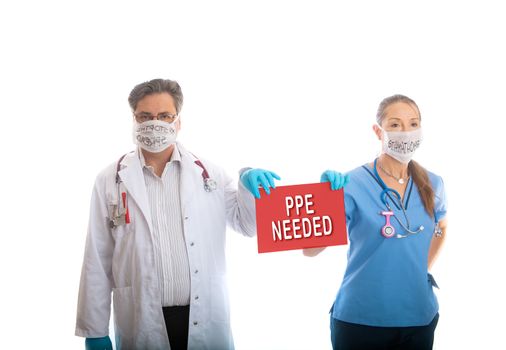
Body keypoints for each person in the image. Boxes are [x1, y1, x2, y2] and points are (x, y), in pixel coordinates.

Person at [75, 78, 279, 350]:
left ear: (178, 122)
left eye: (164, 116)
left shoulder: (211, 175)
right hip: (142, 318)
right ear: (134, 120)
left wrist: (248, 187)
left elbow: (247, 225)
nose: (154, 123)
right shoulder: (109, 180)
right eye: (145, 116)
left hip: (202, 315)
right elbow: (97, 259)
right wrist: (94, 329)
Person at [304, 94, 448, 350]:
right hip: (361, 321)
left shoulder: (433, 183)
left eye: (413, 124)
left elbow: (442, 228)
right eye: (395, 125)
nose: (406, 132)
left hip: (418, 317)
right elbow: (310, 250)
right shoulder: (351, 184)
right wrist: (324, 199)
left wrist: (419, 270)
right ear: (378, 131)